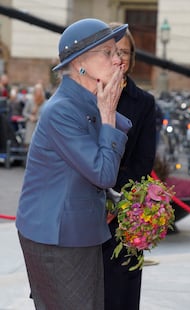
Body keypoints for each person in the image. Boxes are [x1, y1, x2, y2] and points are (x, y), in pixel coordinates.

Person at [15, 18, 130, 309]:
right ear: (80, 63)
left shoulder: (88, 100)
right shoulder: (62, 110)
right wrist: (108, 115)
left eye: (117, 51)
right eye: (107, 52)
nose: (118, 59)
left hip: (77, 229)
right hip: (56, 236)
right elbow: (103, 173)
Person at [102, 22, 157, 310]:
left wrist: (115, 204)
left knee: (120, 291)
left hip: (122, 211)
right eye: (111, 51)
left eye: (125, 51)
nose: (119, 58)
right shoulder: (84, 95)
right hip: (85, 210)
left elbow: (142, 162)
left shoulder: (144, 102)